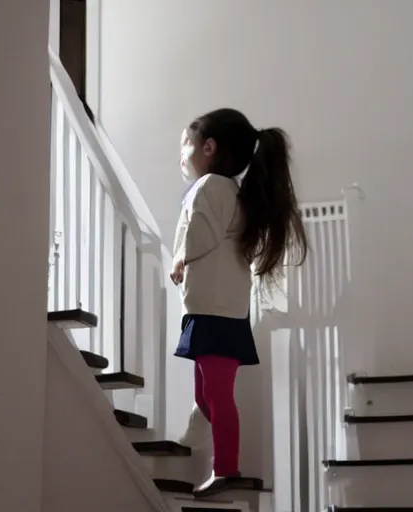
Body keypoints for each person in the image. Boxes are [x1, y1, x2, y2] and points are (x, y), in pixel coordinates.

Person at [170, 108, 308, 497]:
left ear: (209, 147)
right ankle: (204, 435)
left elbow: (200, 232)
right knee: (205, 393)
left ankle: (226, 467)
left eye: (186, 144)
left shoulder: (212, 186)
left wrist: (181, 256)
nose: (181, 153)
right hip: (214, 307)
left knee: (215, 394)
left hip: (215, 310)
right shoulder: (227, 189)